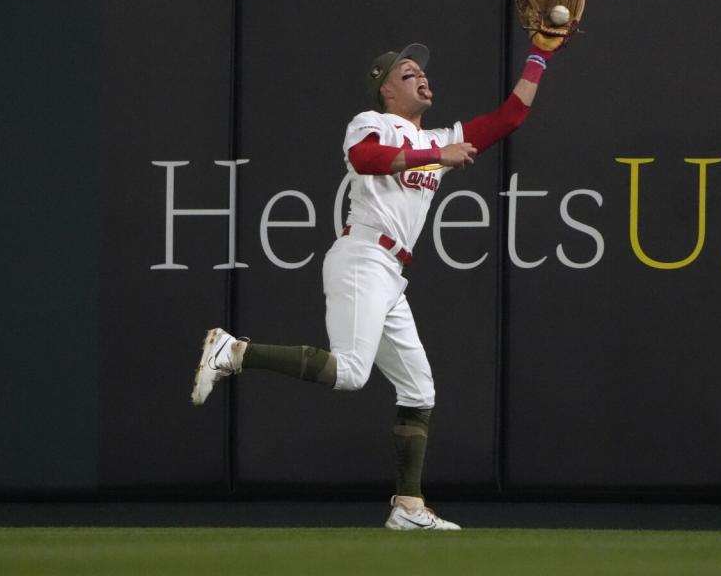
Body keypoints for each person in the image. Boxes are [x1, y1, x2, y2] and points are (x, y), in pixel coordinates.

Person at [191, 34, 562, 530]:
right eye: (408, 73)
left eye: (424, 71)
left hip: (391, 273)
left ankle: (408, 507)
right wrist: (437, 158)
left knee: (419, 389)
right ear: (386, 90)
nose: (422, 76)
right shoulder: (374, 123)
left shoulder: (438, 139)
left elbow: (510, 117)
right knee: (350, 373)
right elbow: (365, 160)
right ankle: (233, 352)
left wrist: (541, 54)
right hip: (362, 255)